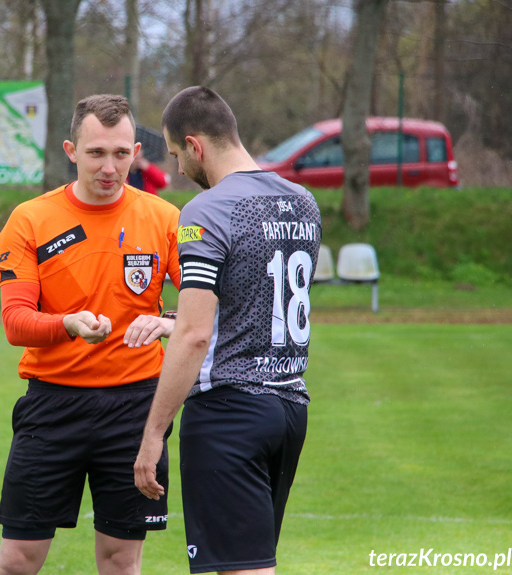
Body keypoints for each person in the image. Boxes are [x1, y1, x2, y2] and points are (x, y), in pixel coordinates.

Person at [134, 86, 321, 575]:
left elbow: (197, 335)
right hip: (289, 410)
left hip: (227, 414)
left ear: (195, 146)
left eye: (176, 155)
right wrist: (170, 322)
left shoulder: (207, 210)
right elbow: (252, 305)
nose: (176, 169)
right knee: (252, 561)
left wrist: (154, 432)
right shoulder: (302, 202)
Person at [0, 94, 182, 575]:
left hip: (136, 411)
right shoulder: (31, 219)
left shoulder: (164, 219)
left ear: (136, 152)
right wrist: (68, 324)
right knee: (18, 560)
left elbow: (211, 312)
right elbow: (16, 323)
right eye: (96, 153)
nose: (109, 167)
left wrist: (168, 323)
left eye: (121, 154)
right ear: (71, 150)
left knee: (121, 561)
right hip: (52, 409)